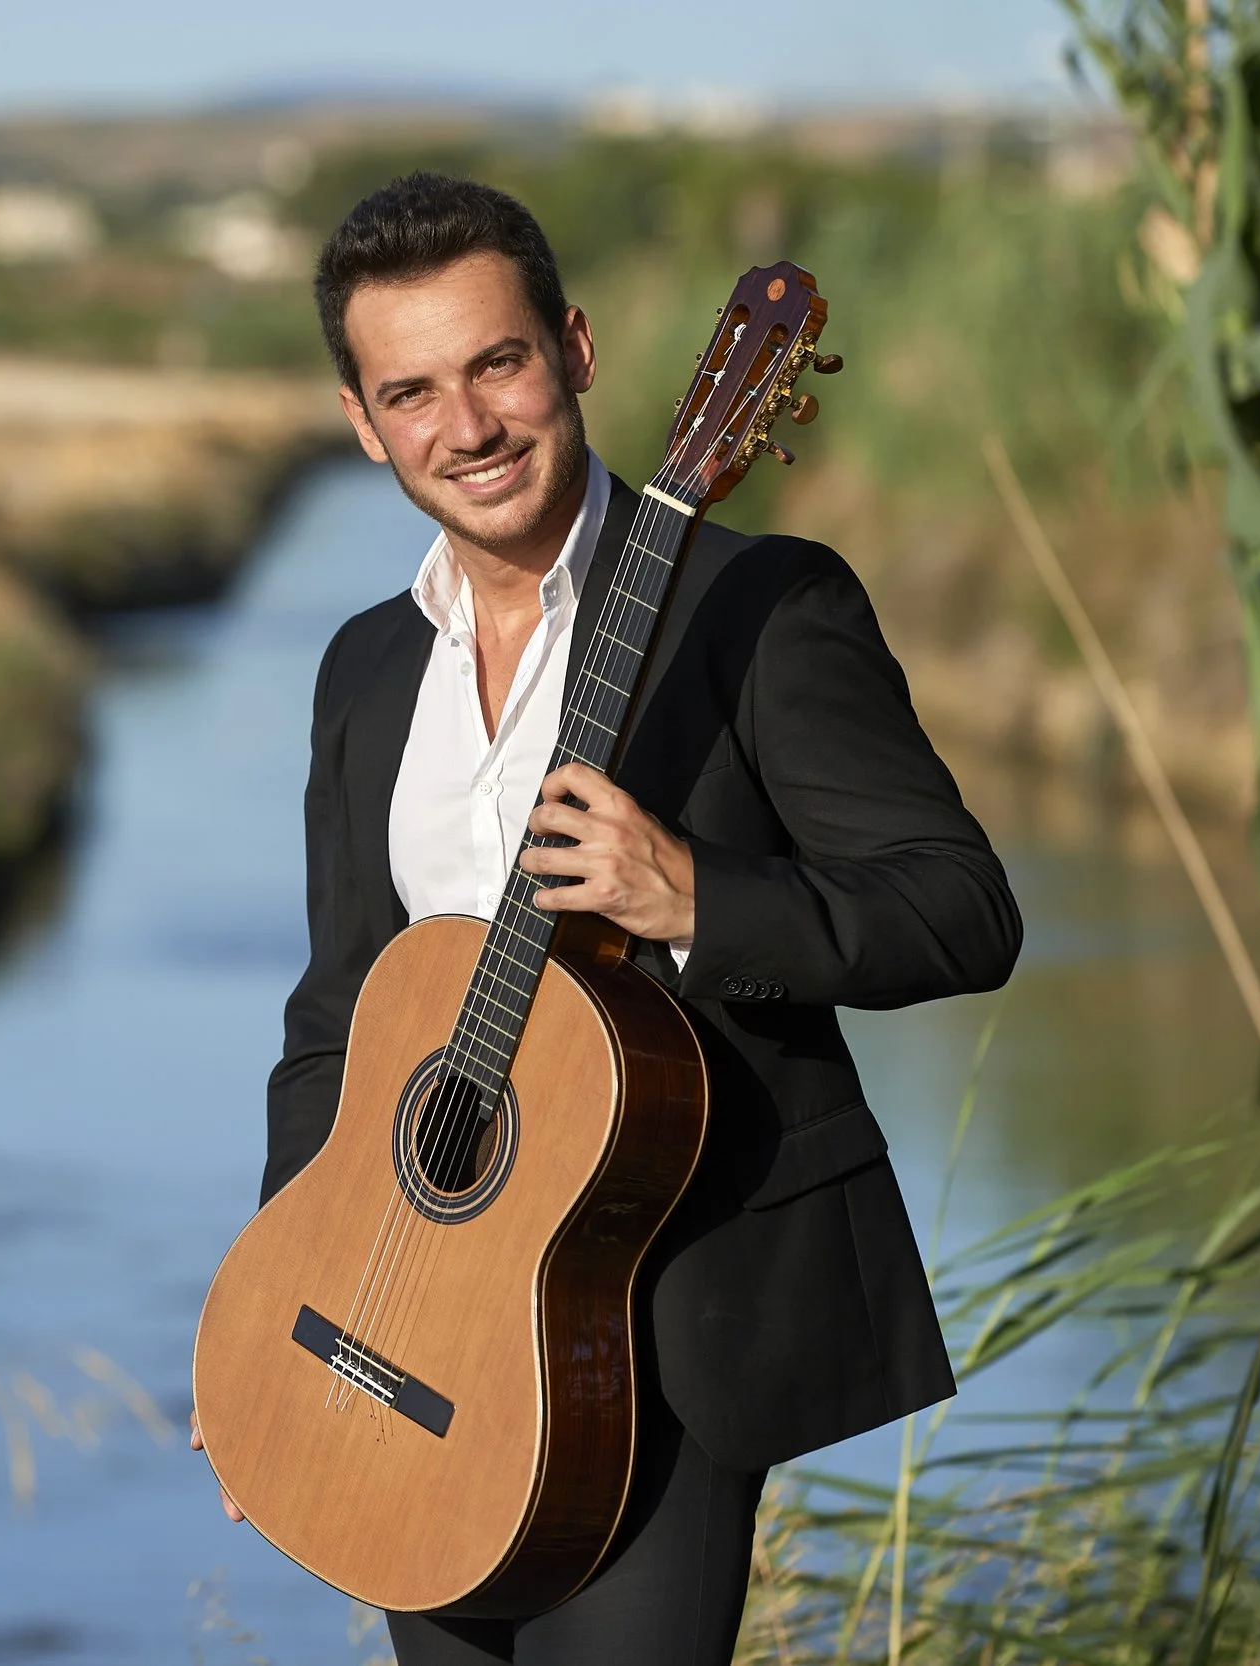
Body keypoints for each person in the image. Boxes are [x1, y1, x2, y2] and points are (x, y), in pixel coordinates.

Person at [189, 172, 1022, 1664]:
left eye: (498, 362)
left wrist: (695, 897)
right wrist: (279, 1316)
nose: (472, 425)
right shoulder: (368, 669)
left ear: (572, 348)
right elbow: (338, 1024)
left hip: (667, 1329)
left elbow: (960, 911)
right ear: (361, 420)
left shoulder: (761, 607)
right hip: (409, 1336)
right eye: (413, 391)